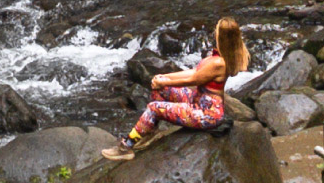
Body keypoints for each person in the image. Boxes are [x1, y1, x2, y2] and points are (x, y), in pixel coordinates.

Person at [101, 17, 249, 161]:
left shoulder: (219, 63)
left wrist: (165, 83)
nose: (214, 32)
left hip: (207, 113)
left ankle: (126, 147)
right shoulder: (220, 57)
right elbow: (194, 71)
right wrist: (165, 78)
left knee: (154, 108)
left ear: (222, 36)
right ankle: (150, 130)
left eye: (217, 31)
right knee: (160, 90)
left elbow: (194, 79)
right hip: (197, 100)